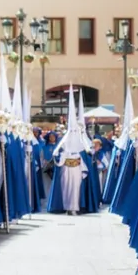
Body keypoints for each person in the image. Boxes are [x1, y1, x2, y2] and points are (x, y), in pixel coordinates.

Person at [47, 86, 92, 216]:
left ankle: (75, 207)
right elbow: (56, 152)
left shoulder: (81, 140)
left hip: (77, 166)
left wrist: (88, 152)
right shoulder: (64, 140)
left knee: (76, 188)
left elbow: (87, 150)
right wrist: (57, 155)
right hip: (66, 166)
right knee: (66, 188)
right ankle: (67, 207)